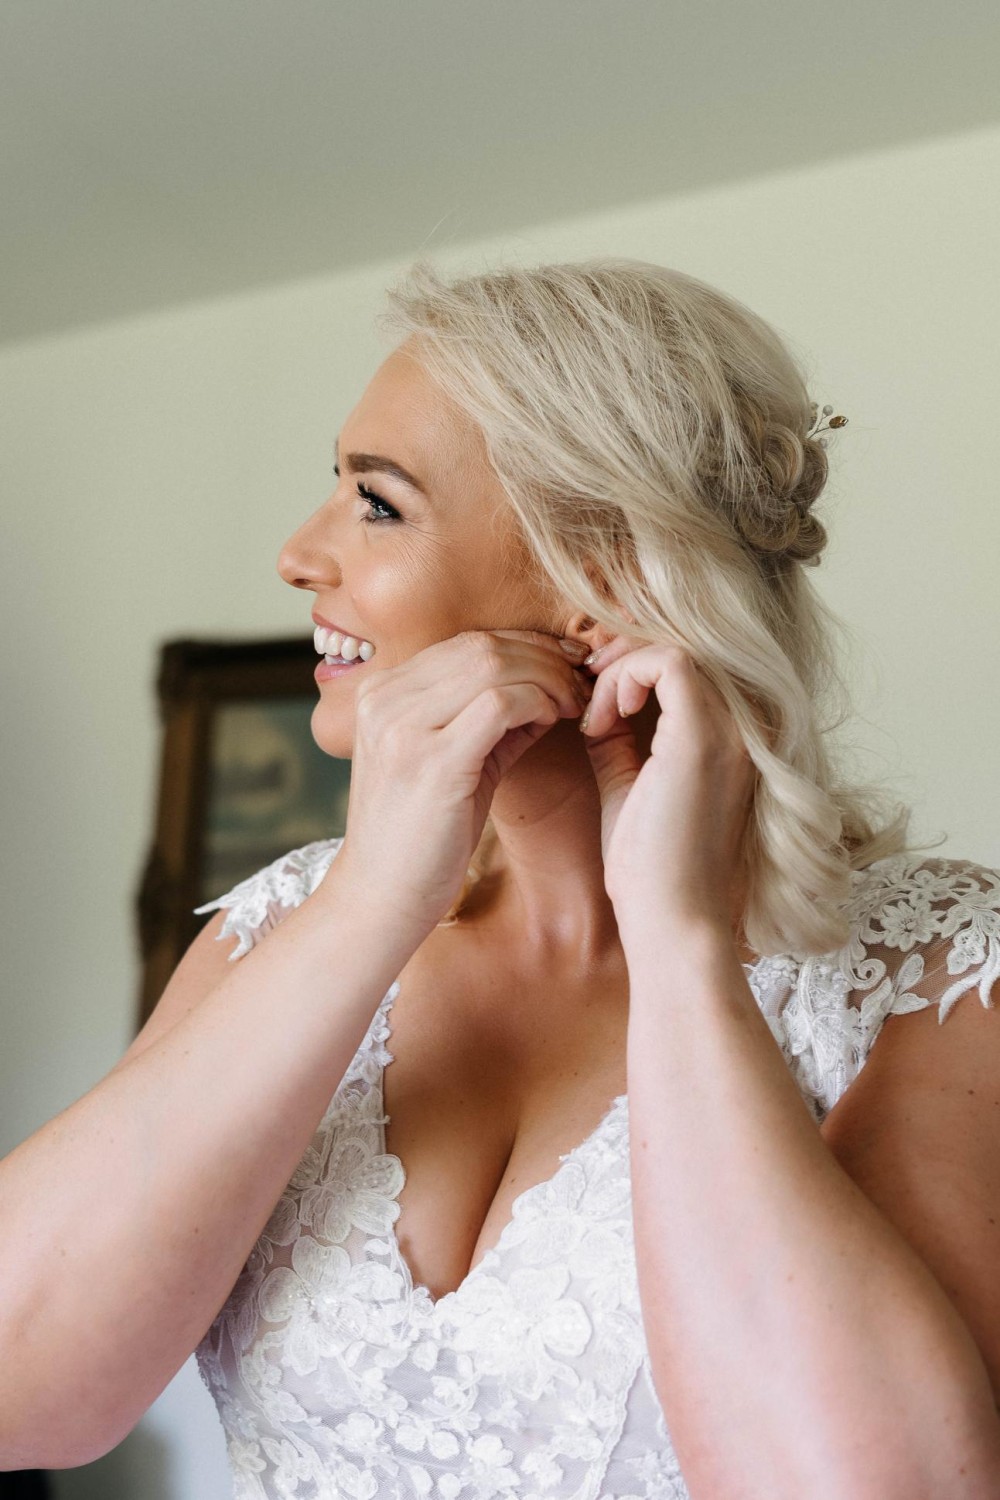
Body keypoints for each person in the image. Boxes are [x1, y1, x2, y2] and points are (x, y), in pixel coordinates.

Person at [3, 259, 1000, 1498]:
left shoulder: (935, 974)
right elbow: (17, 1395)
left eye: (376, 504)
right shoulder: (287, 921)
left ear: (596, 588)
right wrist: (371, 904)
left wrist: (681, 945)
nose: (298, 555)